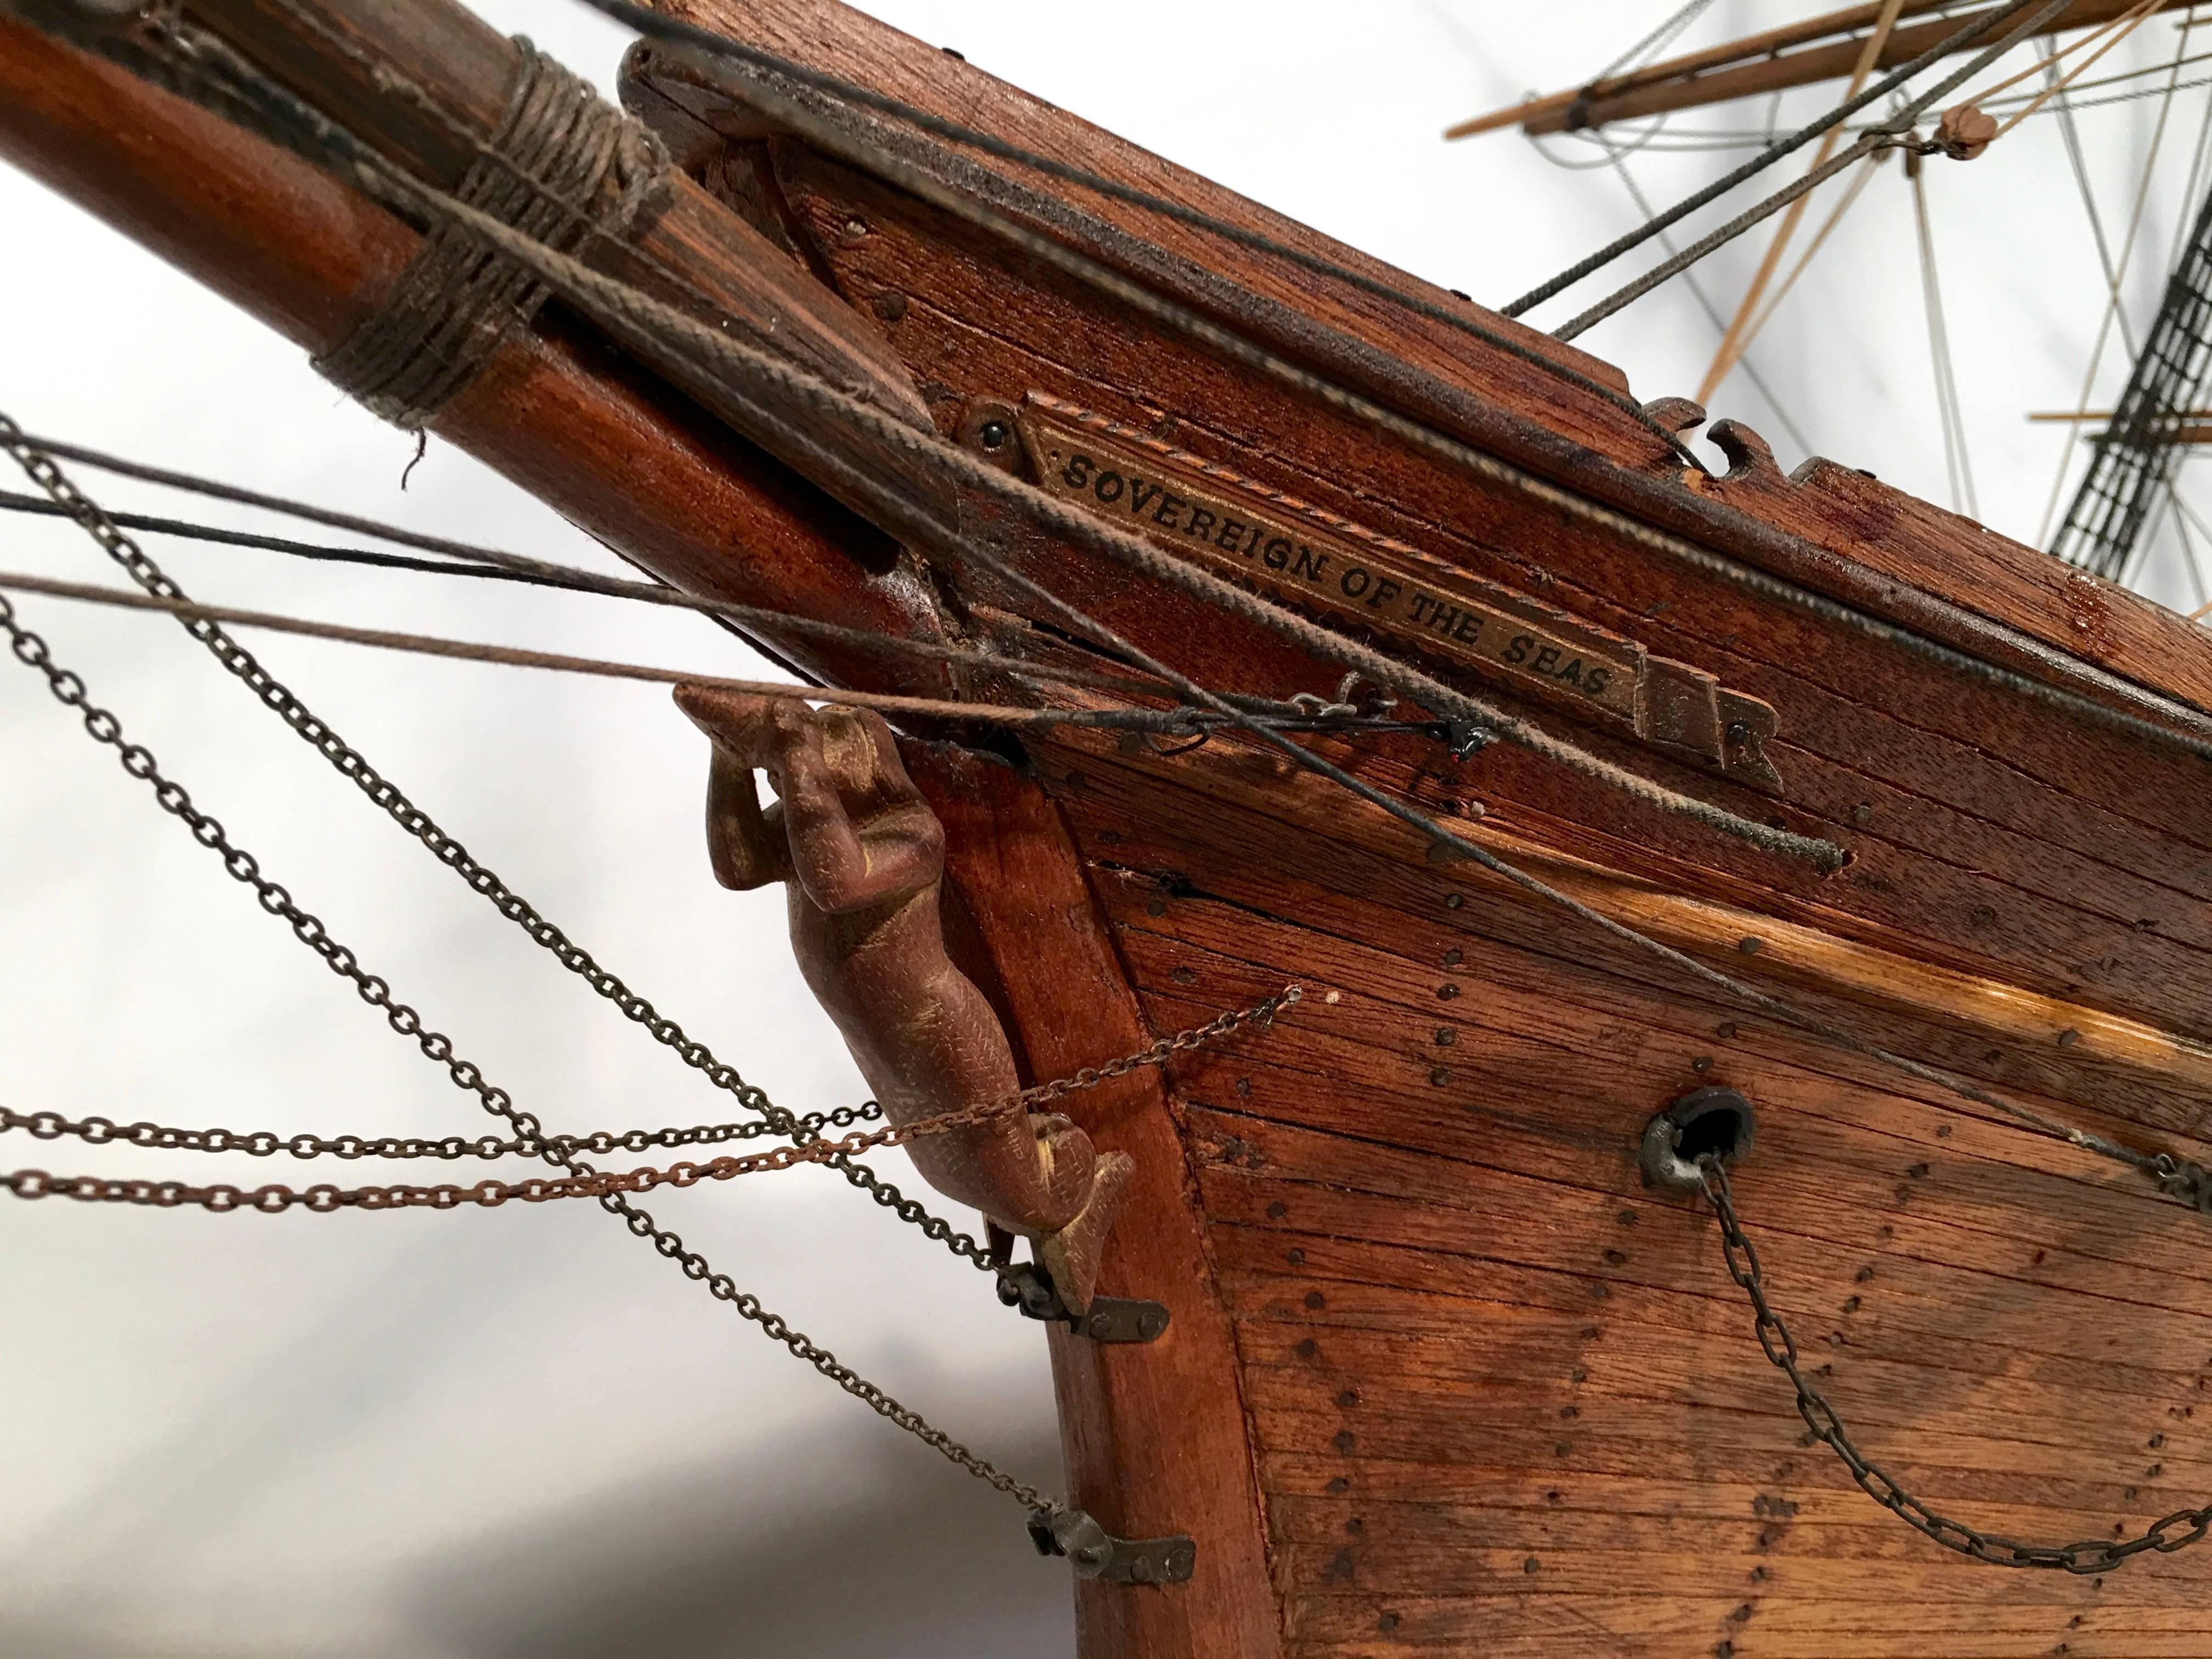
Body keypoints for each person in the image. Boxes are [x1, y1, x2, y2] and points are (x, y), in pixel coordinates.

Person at [676, 686, 1132, 1312]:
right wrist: (729, 759)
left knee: (997, 1166)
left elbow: (839, 884)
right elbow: (739, 865)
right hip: (885, 1046)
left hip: (935, 1027)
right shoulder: (807, 826)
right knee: (945, 1168)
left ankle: (1085, 1190)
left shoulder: (912, 833)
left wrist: (792, 750)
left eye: (817, 750)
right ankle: (1038, 1196)